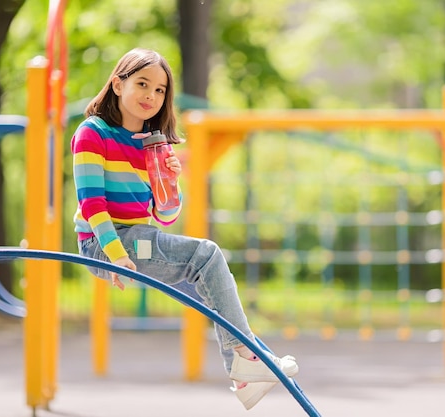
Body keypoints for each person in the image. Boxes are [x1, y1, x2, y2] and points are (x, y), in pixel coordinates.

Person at [71, 48, 298, 409]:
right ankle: (247, 360)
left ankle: (245, 374)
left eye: (160, 90)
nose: (151, 96)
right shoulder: (91, 133)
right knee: (205, 255)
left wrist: (172, 182)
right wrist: (116, 256)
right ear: (117, 83)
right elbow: (92, 204)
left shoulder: (152, 142)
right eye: (142, 84)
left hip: (138, 239)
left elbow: (164, 217)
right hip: (103, 244)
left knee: (207, 274)